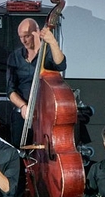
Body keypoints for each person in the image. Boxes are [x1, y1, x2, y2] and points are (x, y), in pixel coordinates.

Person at [6, 17, 67, 145]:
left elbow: (61, 65)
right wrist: (23, 106)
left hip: (47, 114)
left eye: (27, 36)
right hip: (23, 114)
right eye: (20, 37)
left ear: (37, 32)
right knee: (20, 151)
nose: (23, 40)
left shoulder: (48, 52)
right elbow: (10, 89)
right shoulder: (15, 57)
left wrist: (53, 43)